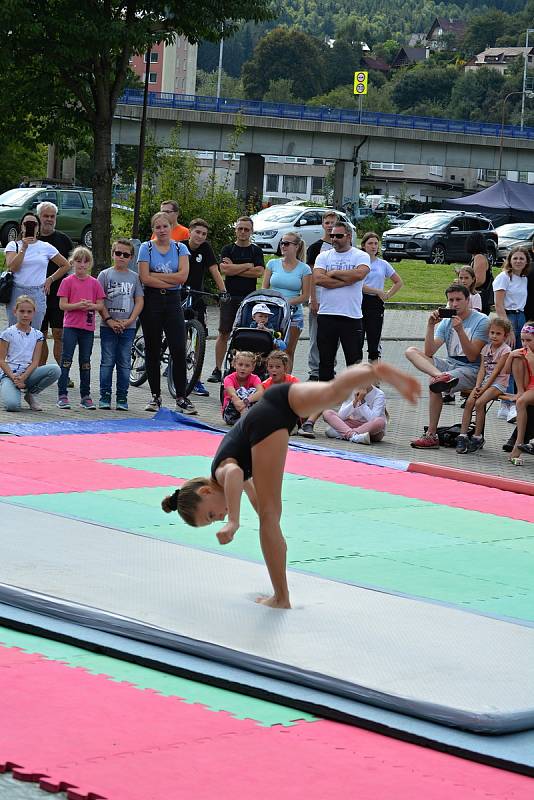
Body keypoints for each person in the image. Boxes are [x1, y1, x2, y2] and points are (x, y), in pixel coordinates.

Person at [161, 362, 421, 609]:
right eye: (217, 520)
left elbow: (236, 474)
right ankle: (375, 371)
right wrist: (262, 514)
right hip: (278, 398)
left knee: (270, 519)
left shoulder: (221, 473)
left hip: (264, 425)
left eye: (211, 514)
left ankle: (281, 598)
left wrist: (234, 522)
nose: (220, 517)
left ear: (205, 491)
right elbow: (251, 492)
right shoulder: (224, 474)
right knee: (334, 391)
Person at [406, 283, 489, 449]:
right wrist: (430, 326)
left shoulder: (482, 321)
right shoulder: (446, 321)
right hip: (450, 365)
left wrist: (460, 331)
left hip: (472, 369)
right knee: (411, 351)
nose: (454, 304)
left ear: (468, 300)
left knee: (434, 385)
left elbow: (473, 356)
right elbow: (429, 351)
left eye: (458, 299)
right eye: (451, 300)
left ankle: (431, 434)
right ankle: (439, 375)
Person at [138, 211, 196, 415]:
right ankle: (155, 396)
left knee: (178, 348)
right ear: (153, 229)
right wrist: (166, 279)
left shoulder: (181, 248)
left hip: (173, 300)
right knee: (152, 349)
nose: (161, 230)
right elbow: (144, 278)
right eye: (157, 227)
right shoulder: (146, 248)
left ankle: (181, 396)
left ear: (171, 227)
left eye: (165, 226)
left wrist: (157, 276)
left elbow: (182, 277)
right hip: (152, 300)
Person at [208, 217, 265, 383]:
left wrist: (236, 268)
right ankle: (217, 369)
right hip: (229, 296)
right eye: (240, 228)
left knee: (246, 334)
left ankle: (244, 369)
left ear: (251, 232)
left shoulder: (256, 251)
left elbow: (259, 272)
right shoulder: (228, 249)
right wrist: (248, 265)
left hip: (249, 298)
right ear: (235, 230)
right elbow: (225, 270)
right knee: (224, 332)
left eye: (246, 229)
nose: (243, 232)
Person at [314, 220, 370, 381]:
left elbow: (359, 274)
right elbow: (318, 279)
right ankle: (325, 396)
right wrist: (346, 280)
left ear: (349, 236)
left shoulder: (361, 255)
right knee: (325, 360)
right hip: (327, 314)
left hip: (351, 316)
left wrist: (333, 272)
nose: (334, 239)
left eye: (339, 235)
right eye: (332, 236)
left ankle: (355, 398)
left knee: (354, 360)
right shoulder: (323, 256)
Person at [97, 239, 144, 411]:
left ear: (131, 257)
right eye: (118, 253)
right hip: (107, 326)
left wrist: (131, 320)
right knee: (107, 362)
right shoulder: (105, 275)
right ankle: (105, 395)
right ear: (112, 254)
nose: (121, 257)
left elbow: (139, 300)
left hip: (128, 327)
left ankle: (122, 397)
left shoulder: (134, 277)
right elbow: (99, 301)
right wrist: (109, 320)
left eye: (126, 254)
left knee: (124, 363)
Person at [56, 247, 105, 410]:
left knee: (85, 362)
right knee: (66, 360)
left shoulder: (95, 283)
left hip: (88, 328)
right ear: (72, 262)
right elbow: (62, 305)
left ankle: (86, 396)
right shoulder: (67, 281)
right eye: (78, 261)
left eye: (85, 261)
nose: (82, 265)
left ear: (90, 264)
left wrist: (92, 305)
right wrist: (78, 305)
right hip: (70, 326)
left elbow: (100, 305)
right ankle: (62, 394)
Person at [184, 218, 227, 397]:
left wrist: (223, 290)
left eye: (204, 234)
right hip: (178, 293)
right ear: (189, 232)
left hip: (196, 295)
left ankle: (196, 379)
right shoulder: (180, 247)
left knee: (198, 338)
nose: (200, 236)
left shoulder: (206, 248)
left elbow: (214, 270)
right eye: (197, 232)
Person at [455, 317, 512, 454]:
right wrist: (477, 386)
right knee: (469, 402)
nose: (494, 336)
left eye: (498, 334)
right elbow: (482, 369)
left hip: (498, 383)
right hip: (485, 382)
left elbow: (497, 371)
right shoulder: (486, 348)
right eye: (492, 333)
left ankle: (477, 436)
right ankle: (463, 435)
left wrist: (484, 388)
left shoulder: (506, 350)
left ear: (505, 335)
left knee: (479, 403)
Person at [4, 213, 70, 330]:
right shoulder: (14, 245)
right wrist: (24, 248)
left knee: (35, 331)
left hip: (37, 291)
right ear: (22, 226)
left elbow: (65, 265)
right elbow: (13, 267)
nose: (30, 226)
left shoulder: (45, 246)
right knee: (14, 331)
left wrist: (50, 279)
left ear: (38, 227)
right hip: (17, 290)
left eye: (33, 224)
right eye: (27, 224)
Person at [0, 295, 60, 412]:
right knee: (13, 406)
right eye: (21, 311)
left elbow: (35, 361)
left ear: (34, 313)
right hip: (10, 375)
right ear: (15, 312)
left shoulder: (38, 335)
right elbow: (1, 360)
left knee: (55, 370)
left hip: (28, 374)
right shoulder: (7, 333)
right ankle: (9, 387)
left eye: (29, 312)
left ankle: (31, 394)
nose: (25, 315)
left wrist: (23, 378)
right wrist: (14, 378)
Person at [262, 231, 311, 371]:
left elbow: (305, 296)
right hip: (273, 312)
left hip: (293, 313)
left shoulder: (304, 268)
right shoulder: (272, 263)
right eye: (282, 243)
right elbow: (264, 288)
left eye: (287, 243)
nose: (283, 246)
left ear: (296, 246)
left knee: (288, 351)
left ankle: (286, 384)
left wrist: (286, 303)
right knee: (271, 348)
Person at [493, 246, 530, 423]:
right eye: (515, 258)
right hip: (508, 317)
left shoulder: (523, 279)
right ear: (510, 260)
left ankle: (515, 401)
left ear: (526, 261)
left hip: (520, 316)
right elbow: (499, 304)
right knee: (509, 358)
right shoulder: (504, 277)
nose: (518, 261)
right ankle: (505, 403)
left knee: (520, 359)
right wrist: (507, 328)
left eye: (522, 259)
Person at [36, 202, 74, 369]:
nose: (49, 219)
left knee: (59, 333)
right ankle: (41, 369)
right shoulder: (32, 240)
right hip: (36, 295)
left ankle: (62, 371)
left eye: (52, 216)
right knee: (40, 335)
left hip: (60, 295)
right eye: (46, 216)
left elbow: (71, 267)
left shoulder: (64, 240)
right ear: (39, 217)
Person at [360, 231, 403, 363]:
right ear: (363, 245)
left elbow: (398, 282)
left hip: (375, 305)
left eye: (376, 244)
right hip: (359, 302)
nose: (373, 246)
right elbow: (357, 285)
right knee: (356, 342)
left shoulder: (382, 264)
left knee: (374, 341)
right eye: (370, 243)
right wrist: (378, 290)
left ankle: (374, 376)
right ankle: (356, 375)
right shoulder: (359, 262)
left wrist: (387, 294)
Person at [305, 211, 338, 381]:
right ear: (323, 225)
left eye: (333, 222)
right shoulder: (316, 248)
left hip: (337, 300)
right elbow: (311, 276)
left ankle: (330, 366)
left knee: (333, 336)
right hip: (319, 297)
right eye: (327, 222)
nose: (330, 225)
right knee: (316, 336)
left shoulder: (344, 247)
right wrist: (313, 299)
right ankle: (314, 370)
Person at [323, 383, 387, 445]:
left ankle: (347, 434)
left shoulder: (379, 394)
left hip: (370, 428)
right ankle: (354, 436)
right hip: (352, 423)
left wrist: (361, 401)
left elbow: (372, 419)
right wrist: (355, 401)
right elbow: (341, 416)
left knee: (380, 421)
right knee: (327, 413)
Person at [507, 322, 534, 464]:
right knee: (517, 357)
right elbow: (505, 371)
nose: (524, 343)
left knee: (521, 402)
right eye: (522, 340)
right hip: (527, 387)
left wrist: (530, 360)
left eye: (528, 340)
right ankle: (519, 441)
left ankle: (519, 442)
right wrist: (511, 355)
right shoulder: (523, 352)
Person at [221, 351, 263, 426]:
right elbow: (233, 395)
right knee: (241, 390)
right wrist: (243, 409)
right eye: (240, 365)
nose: (243, 368)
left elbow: (261, 392)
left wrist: (246, 401)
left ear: (253, 367)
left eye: (247, 366)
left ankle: (247, 420)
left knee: (255, 392)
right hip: (230, 414)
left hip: (247, 412)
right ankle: (245, 418)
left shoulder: (255, 378)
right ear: (234, 365)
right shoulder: (228, 378)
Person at [466, 232, 492, 315]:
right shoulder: (477, 257)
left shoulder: (479, 257)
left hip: (479, 299)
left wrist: (465, 286)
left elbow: (480, 280)